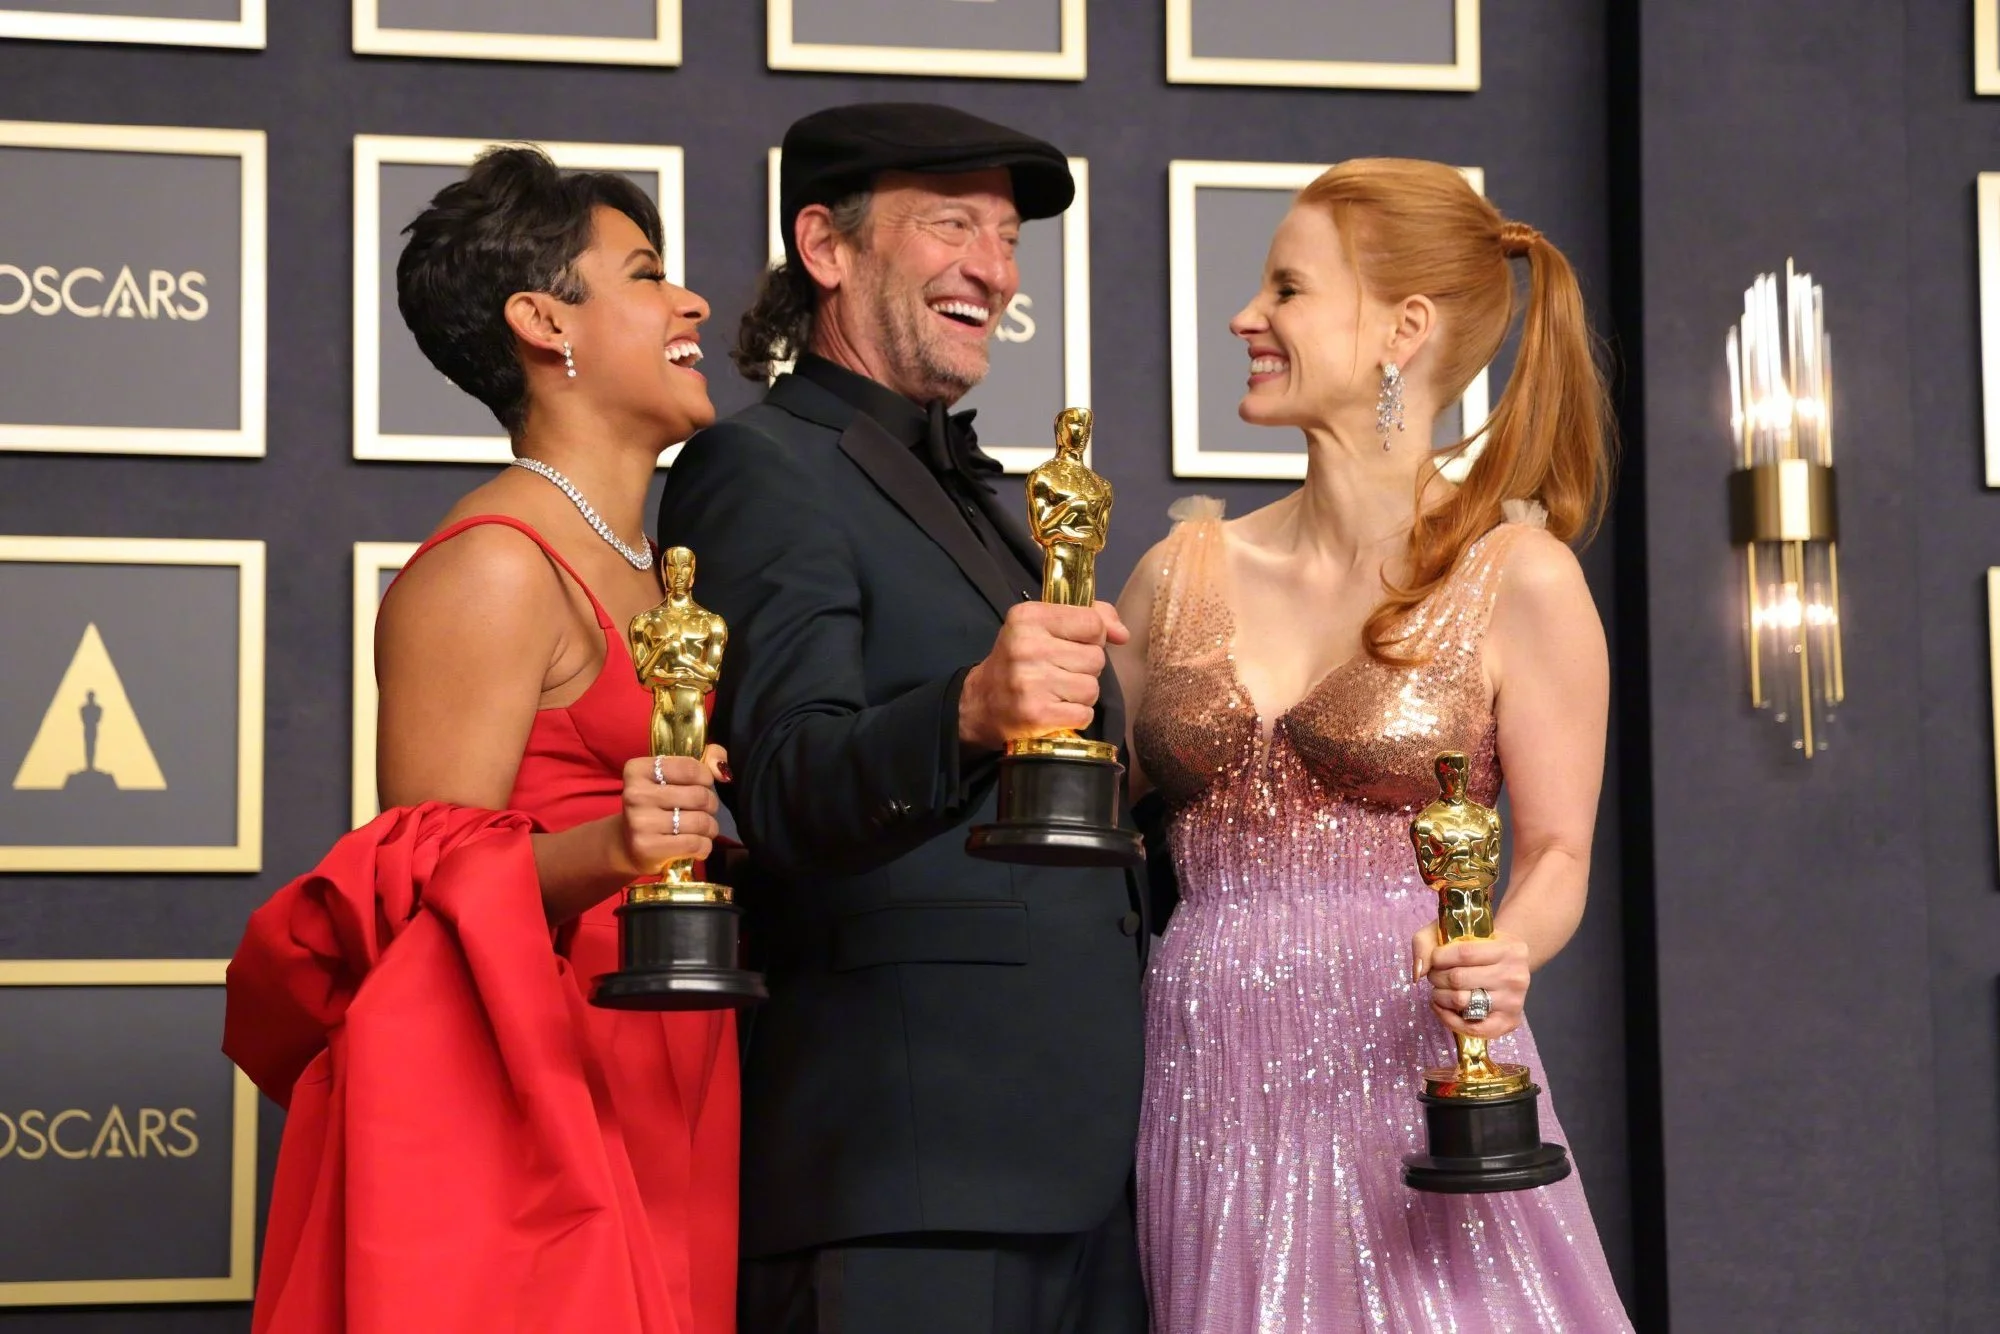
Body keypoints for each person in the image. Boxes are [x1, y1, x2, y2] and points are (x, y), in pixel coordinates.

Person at [1111, 158, 1633, 1331]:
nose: (1246, 316)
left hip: (1414, 1068)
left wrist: (1503, 948)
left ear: (1402, 327)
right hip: (1205, 1076)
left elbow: (1554, 851)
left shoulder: (1519, 578)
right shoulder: (1171, 574)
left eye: (1286, 289)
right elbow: (1092, 821)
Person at [223, 146, 737, 1333]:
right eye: (647, 274)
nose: (691, 302)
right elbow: (418, 890)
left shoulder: (651, 569)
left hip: (664, 1059)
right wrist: (619, 844)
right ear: (542, 321)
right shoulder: (497, 564)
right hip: (533, 1104)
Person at [657, 103, 1148, 1334]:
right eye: (950, 226)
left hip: (1081, 1178)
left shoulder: (995, 496)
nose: (992, 265)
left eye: (1005, 235)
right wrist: (972, 708)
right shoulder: (759, 467)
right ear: (825, 247)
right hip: (897, 1184)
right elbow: (777, 782)